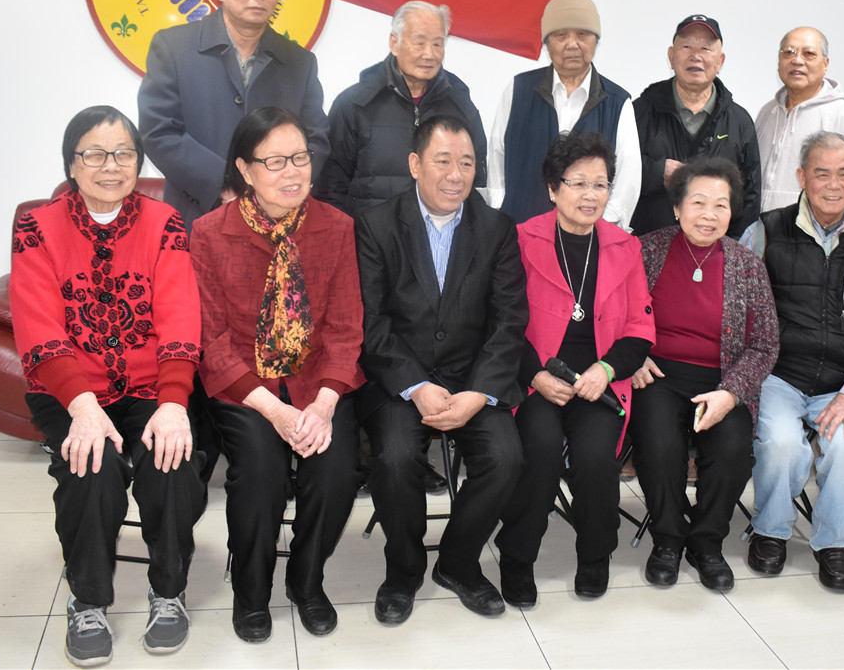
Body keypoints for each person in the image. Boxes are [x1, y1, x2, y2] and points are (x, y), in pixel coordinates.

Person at [9, 106, 206, 666]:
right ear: (71, 164)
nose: (111, 165)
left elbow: (179, 314)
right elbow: (38, 327)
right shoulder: (36, 227)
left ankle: (169, 592)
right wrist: (82, 406)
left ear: (139, 162)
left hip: (150, 387)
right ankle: (88, 600)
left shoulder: (165, 222)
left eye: (123, 154)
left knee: (173, 465)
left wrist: (173, 402)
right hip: (68, 391)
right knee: (89, 468)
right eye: (95, 154)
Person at [190, 108, 364, 644]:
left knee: (337, 468)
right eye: (275, 162)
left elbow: (346, 326)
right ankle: (251, 592)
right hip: (245, 386)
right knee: (261, 472)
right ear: (245, 169)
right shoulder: (209, 233)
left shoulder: (336, 227)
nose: (292, 172)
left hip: (317, 381)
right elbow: (212, 341)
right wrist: (274, 410)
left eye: (300, 158)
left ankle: (306, 581)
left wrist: (324, 405)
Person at [355, 115, 527, 625]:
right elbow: (371, 322)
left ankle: (458, 562)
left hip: (472, 376)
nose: (456, 175)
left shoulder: (496, 228)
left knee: (506, 458)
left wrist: (479, 392)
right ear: (415, 164)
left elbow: (509, 321)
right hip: (399, 378)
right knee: (394, 458)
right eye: (443, 161)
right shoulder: (376, 225)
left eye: (467, 163)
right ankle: (403, 570)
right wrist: (414, 385)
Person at [740, 132, 844, 592]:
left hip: (843, 382)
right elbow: (739, 308)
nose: (834, 185)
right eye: (822, 173)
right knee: (780, 445)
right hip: (779, 374)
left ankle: (834, 542)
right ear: (801, 177)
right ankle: (770, 530)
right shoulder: (765, 231)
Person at [494, 132, 655, 605]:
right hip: (536, 379)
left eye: (600, 184)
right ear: (552, 188)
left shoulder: (625, 246)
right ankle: (517, 557)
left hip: (598, 383)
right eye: (578, 183)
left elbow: (640, 329)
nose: (590, 195)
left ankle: (595, 555)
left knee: (595, 458)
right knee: (540, 450)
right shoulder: (521, 239)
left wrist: (605, 370)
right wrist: (535, 375)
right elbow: (503, 322)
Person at [631, 157, 779, 592]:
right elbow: (614, 316)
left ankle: (706, 543)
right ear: (677, 207)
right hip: (657, 375)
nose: (709, 214)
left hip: (723, 379)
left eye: (720, 205)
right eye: (698, 202)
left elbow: (765, 344)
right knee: (658, 444)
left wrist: (731, 392)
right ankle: (668, 539)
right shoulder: (645, 250)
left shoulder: (748, 265)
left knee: (733, 449)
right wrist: (633, 358)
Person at [138, 0, 329, 231]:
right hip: (199, 216)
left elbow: (317, 138)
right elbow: (158, 131)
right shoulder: (173, 47)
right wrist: (225, 184)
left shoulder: (299, 61)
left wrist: (276, 186)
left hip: (276, 221)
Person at [487, 0, 641, 229]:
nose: (572, 44)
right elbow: (497, 156)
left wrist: (601, 231)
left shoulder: (617, 102)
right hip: (521, 233)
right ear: (547, 44)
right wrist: (499, 215)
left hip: (588, 239)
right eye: (560, 35)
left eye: (582, 34)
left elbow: (627, 180)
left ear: (596, 42)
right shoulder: (519, 90)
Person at [317, 1, 488, 216]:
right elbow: (330, 189)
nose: (429, 54)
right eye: (419, 43)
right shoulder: (355, 104)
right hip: (369, 234)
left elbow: (476, 184)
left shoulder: (461, 105)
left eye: (437, 44)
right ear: (394, 43)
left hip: (441, 234)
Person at [631, 14, 761, 238]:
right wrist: (657, 172)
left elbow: (750, 196)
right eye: (687, 46)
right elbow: (614, 173)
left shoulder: (740, 122)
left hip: (714, 250)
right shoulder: (639, 111)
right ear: (671, 56)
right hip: (647, 247)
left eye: (705, 49)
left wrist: (730, 249)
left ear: (720, 61)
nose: (696, 56)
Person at [754, 26, 844, 211]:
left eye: (809, 54)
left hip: (813, 228)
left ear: (825, 64)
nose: (797, 60)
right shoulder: (768, 112)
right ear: (779, 61)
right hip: (761, 227)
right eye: (789, 52)